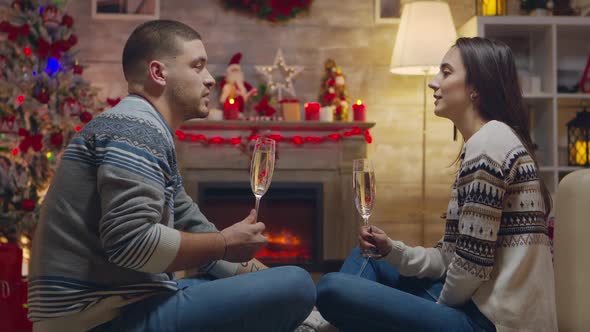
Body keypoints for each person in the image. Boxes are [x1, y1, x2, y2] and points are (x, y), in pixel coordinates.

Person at [28, 19, 315, 332]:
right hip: (97, 319)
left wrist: (306, 306)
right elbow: (131, 243)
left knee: (279, 284)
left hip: (125, 306)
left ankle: (312, 321)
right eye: (197, 66)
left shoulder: (144, 128)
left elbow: (203, 238)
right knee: (297, 282)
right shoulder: (137, 127)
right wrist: (223, 244)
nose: (210, 80)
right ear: (158, 72)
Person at [315, 37, 558, 332]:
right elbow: (450, 258)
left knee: (331, 288)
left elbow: (470, 267)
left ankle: (322, 326)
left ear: (476, 89)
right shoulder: (486, 142)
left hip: (493, 322)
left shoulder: (490, 143)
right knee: (370, 256)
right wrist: (392, 249)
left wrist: (429, 312)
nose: (433, 82)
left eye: (446, 72)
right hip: (478, 307)